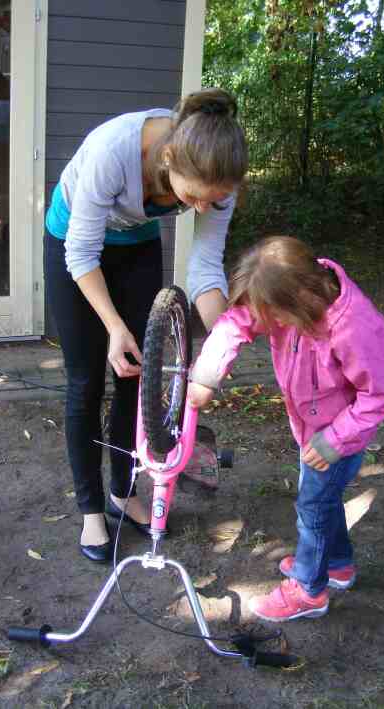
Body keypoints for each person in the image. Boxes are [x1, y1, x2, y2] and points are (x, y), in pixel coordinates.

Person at [44, 88, 248, 563]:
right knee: (86, 379)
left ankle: (122, 491)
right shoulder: (113, 150)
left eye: (211, 199)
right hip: (73, 243)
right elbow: (81, 253)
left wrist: (222, 342)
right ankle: (91, 510)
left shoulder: (219, 183)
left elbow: (205, 270)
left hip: (135, 244)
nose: (201, 208)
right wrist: (113, 325)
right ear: (171, 158)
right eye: (193, 196)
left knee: (136, 377)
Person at [188, 236, 384, 621]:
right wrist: (206, 374)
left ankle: (308, 590)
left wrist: (334, 441)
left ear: (301, 300)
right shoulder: (285, 296)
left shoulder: (354, 327)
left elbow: (378, 395)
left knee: (313, 507)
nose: (271, 326)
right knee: (324, 498)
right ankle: (337, 565)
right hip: (312, 430)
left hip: (339, 436)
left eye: (277, 318)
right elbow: (238, 321)